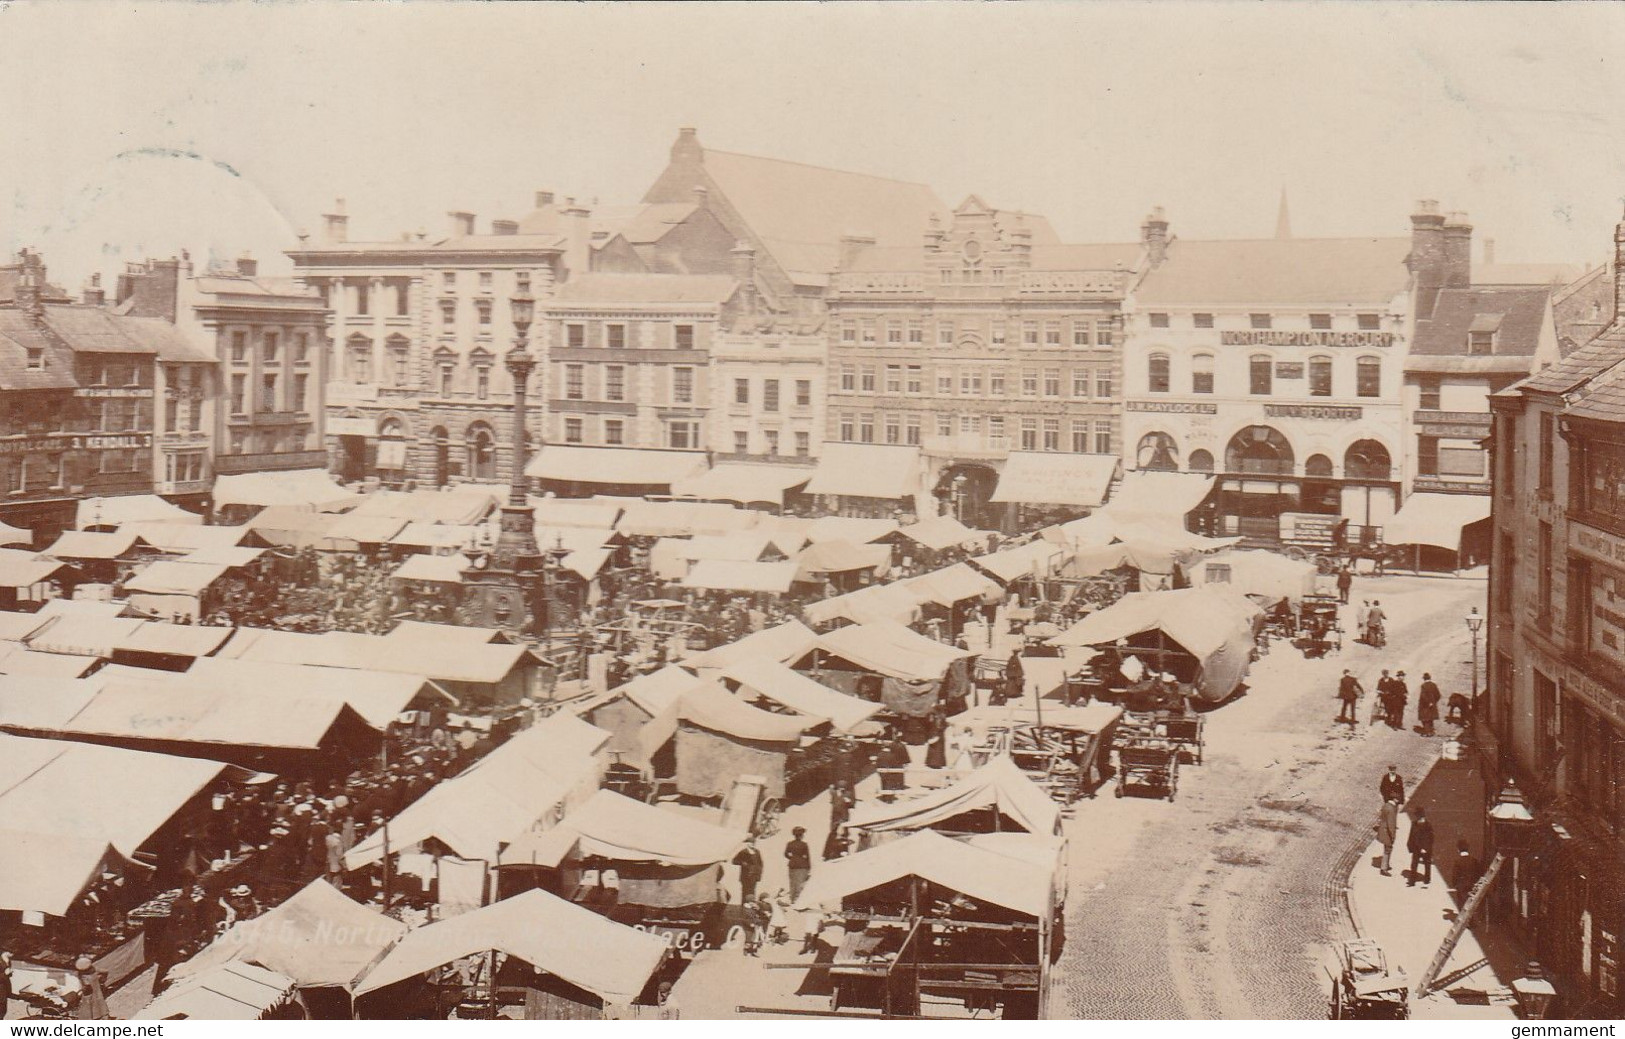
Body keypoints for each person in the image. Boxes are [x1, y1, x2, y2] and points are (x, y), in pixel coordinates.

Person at [1407, 808, 1435, 887]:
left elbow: (1430, 838)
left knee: (1427, 864)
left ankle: (1427, 878)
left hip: (1425, 849)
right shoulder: (1414, 824)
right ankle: (1412, 881)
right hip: (1416, 847)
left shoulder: (1428, 825)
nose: (1417, 819)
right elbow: (1411, 835)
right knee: (1414, 864)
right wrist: (1410, 846)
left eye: (1418, 817)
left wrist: (1425, 848)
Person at [733, 838, 764, 904]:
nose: (752, 844)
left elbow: (760, 865)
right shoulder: (743, 852)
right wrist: (742, 862)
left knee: (752, 893)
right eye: (751, 842)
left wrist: (759, 876)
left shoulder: (757, 852)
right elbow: (734, 861)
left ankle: (751, 909)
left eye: (753, 843)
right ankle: (743, 908)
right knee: (745, 892)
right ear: (747, 844)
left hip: (754, 876)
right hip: (745, 877)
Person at [785, 827, 812, 902]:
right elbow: (807, 857)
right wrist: (809, 867)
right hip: (802, 866)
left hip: (792, 866)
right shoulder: (804, 845)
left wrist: (792, 858)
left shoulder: (790, 844)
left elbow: (785, 854)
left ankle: (792, 899)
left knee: (793, 882)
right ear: (801, 835)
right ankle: (799, 900)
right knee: (800, 883)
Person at [1376, 796, 1399, 877]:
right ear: (1394, 799)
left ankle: (1385, 865)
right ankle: (1384, 868)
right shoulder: (1392, 809)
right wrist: (1393, 835)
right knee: (1388, 849)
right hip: (1387, 833)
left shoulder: (1386, 805)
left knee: (1386, 848)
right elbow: (1391, 824)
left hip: (1382, 830)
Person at [1453, 838, 1481, 903]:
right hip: (1472, 885)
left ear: (1458, 850)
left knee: (1462, 904)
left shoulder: (1457, 861)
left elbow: (1455, 876)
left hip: (1462, 887)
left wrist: (1455, 885)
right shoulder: (1474, 860)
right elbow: (1478, 873)